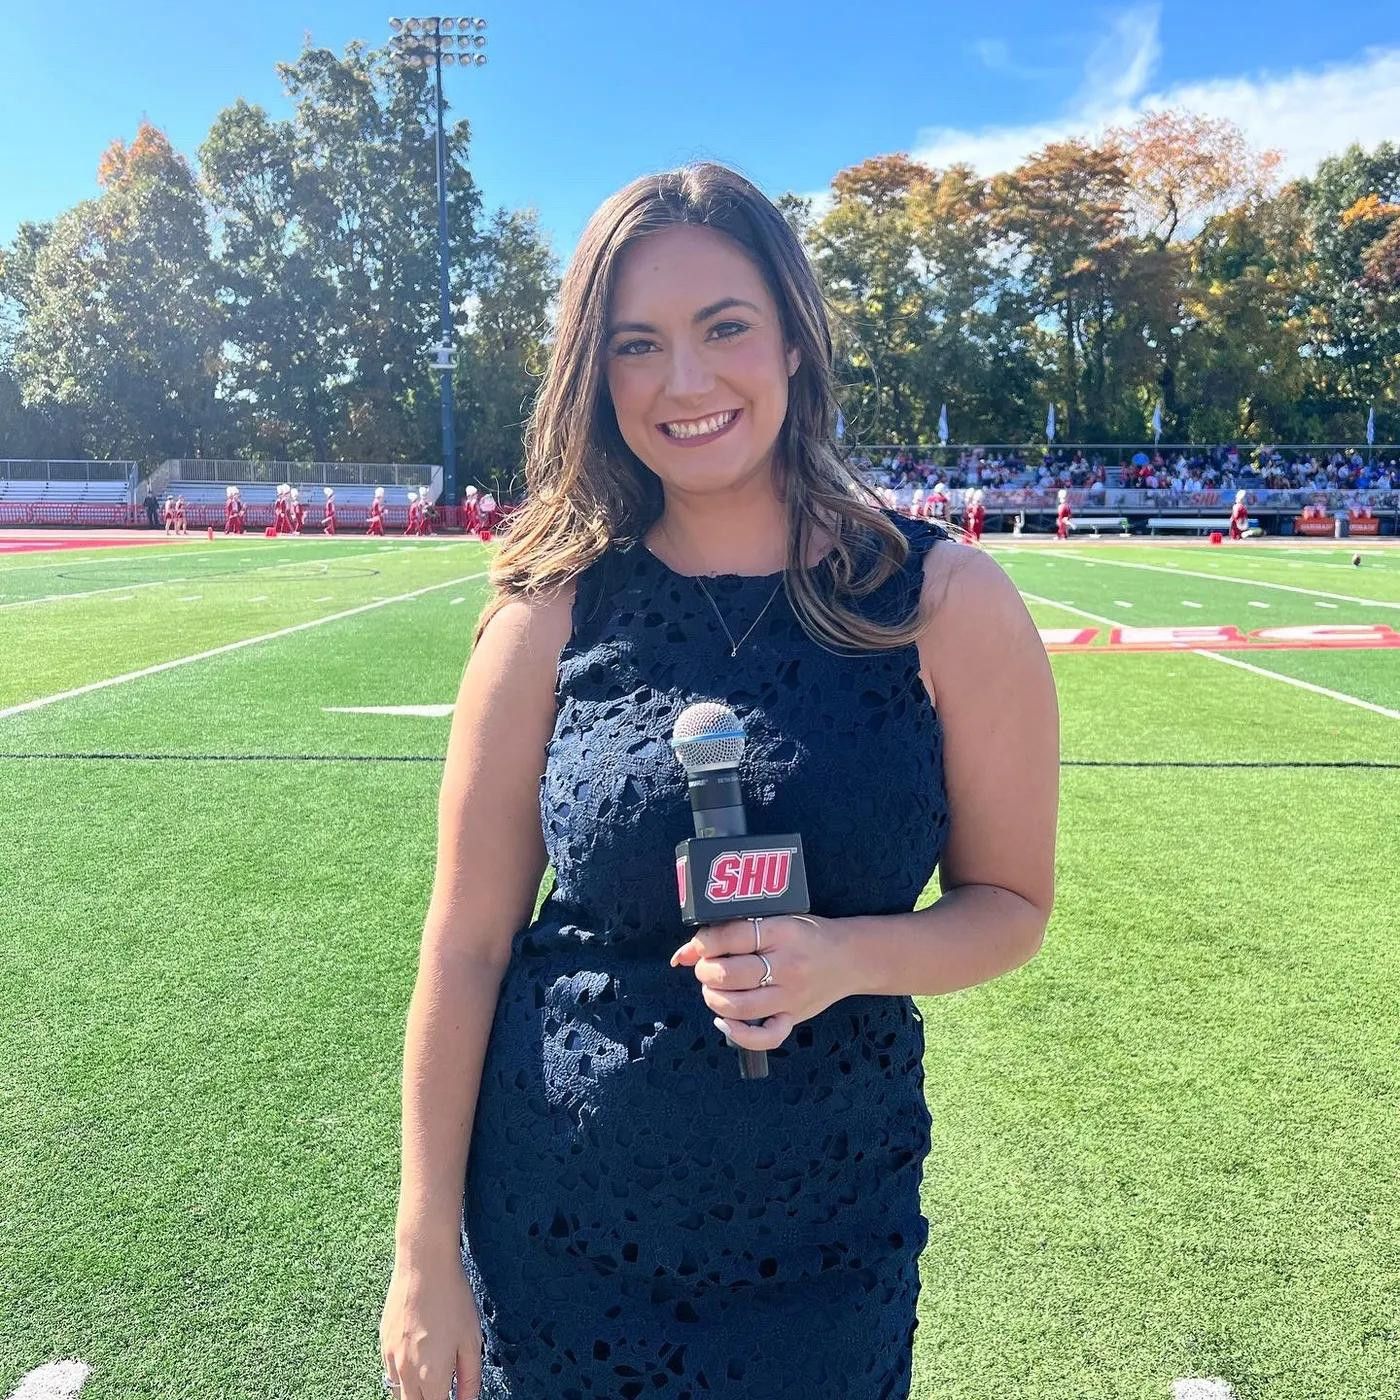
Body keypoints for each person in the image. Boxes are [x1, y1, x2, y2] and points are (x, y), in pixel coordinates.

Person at [377, 163, 1058, 1400]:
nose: (683, 382)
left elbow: (1008, 905)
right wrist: (421, 1245)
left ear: (794, 338)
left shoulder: (945, 601)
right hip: (557, 1231)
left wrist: (841, 955)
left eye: (723, 326)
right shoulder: (545, 609)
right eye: (635, 344)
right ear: (596, 375)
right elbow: (465, 944)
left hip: (827, 1240)